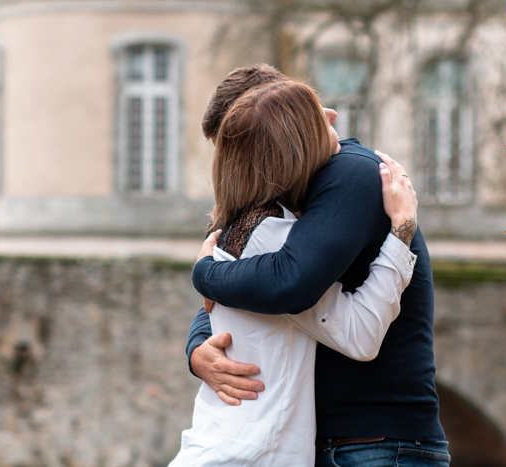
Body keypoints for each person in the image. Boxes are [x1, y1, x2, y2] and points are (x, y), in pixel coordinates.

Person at [188, 65, 450, 467]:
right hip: (340, 441)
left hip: (374, 441)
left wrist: (205, 274)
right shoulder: (271, 217)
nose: (331, 115)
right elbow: (248, 288)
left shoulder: (351, 173)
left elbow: (288, 283)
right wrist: (197, 350)